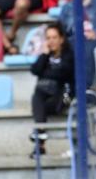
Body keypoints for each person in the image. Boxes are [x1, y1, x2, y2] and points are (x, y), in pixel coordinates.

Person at [29, 23, 74, 157]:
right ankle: (40, 142)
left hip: (66, 94)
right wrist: (44, 55)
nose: (51, 41)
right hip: (45, 94)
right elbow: (35, 70)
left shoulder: (69, 55)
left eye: (54, 37)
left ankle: (39, 137)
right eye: (48, 38)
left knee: (40, 105)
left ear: (61, 39)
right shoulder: (46, 55)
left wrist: (46, 72)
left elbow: (64, 74)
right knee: (37, 96)